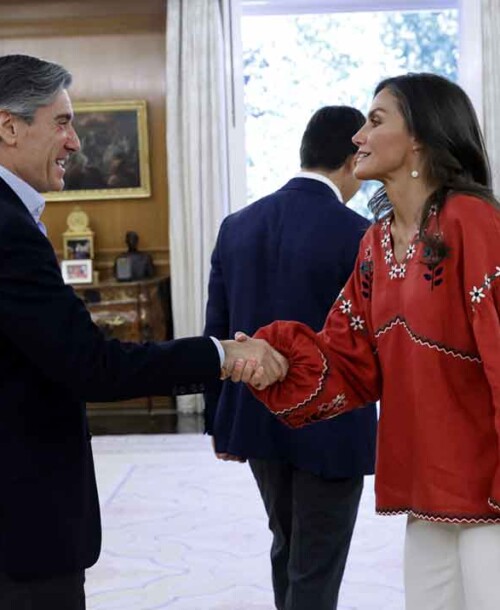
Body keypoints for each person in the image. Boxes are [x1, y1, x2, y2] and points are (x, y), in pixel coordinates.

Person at [0, 54, 285, 609]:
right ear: (9, 126)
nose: (75, 142)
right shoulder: (8, 229)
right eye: (62, 123)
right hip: (20, 529)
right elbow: (93, 366)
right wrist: (221, 355)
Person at [240, 73, 500, 610]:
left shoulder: (473, 222)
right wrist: (274, 361)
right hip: (428, 491)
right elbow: (347, 359)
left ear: (420, 138)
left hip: (490, 489)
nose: (358, 136)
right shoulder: (375, 244)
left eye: (375, 121)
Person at [204, 106, 377, 610]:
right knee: (317, 561)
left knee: (286, 543)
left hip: (256, 413)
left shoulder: (236, 226)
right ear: (352, 159)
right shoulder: (360, 233)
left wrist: (220, 421)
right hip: (334, 418)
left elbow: (217, 331)